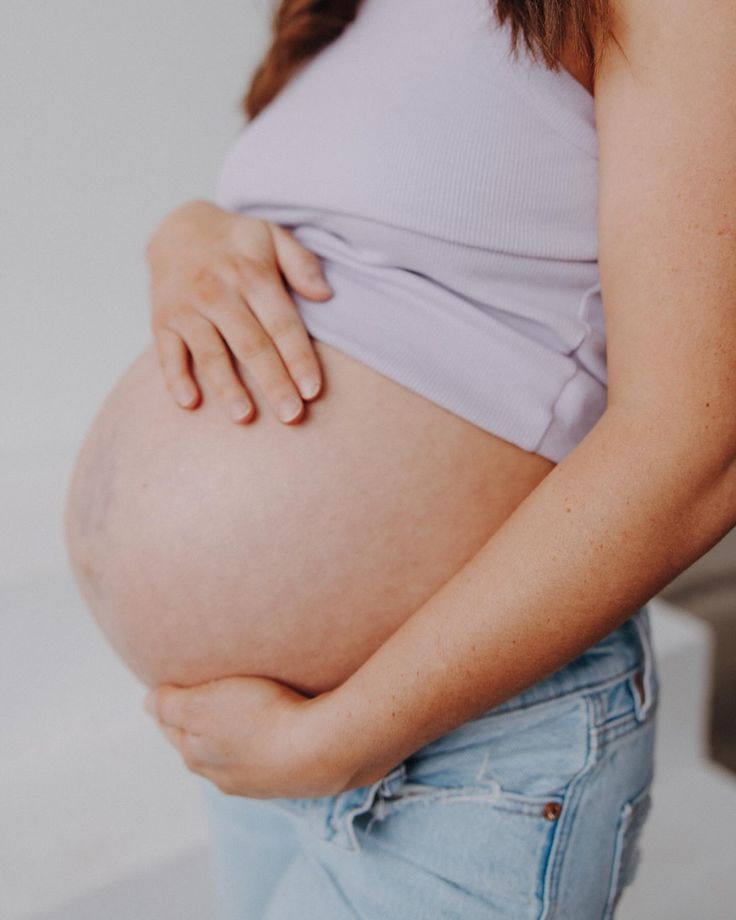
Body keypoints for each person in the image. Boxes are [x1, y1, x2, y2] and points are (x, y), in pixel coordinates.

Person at [117, 0, 735, 917]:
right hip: (270, 741)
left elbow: (699, 441)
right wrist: (187, 233)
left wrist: (342, 740)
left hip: (452, 741)